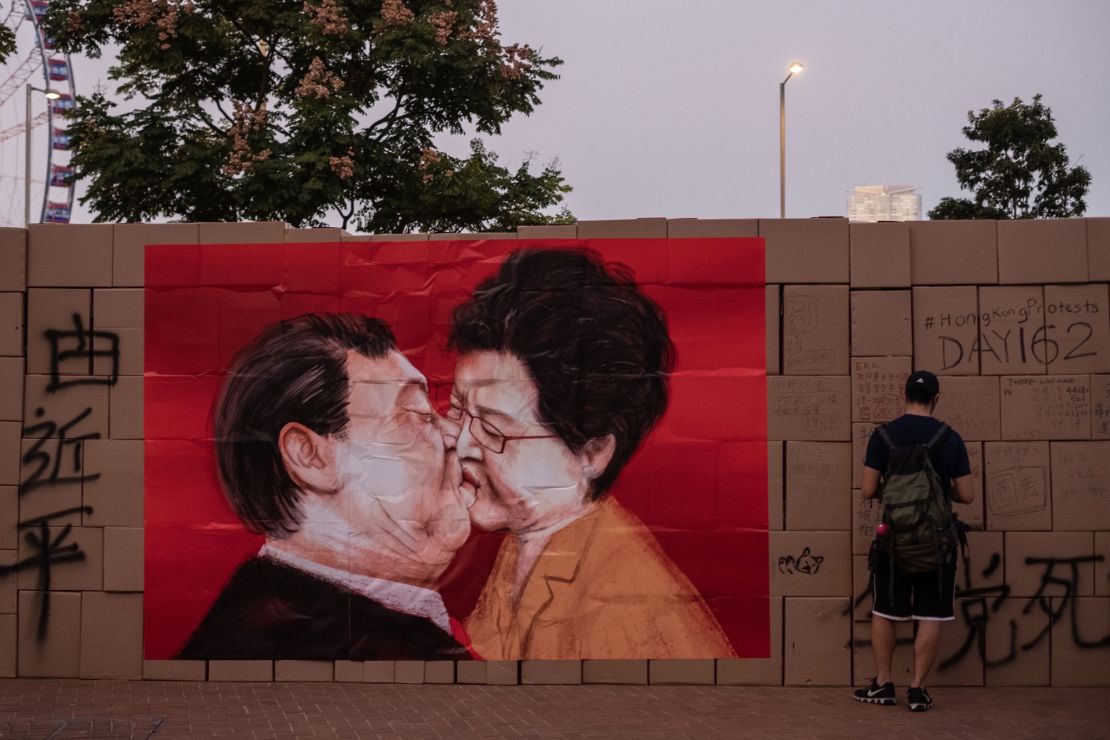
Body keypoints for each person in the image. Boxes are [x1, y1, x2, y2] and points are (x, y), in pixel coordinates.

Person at [444, 247, 735, 660]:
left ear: (594, 452)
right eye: (458, 412)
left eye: (493, 429)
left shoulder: (625, 609)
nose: (463, 444)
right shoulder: (528, 541)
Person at [177, 313, 473, 661]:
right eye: (419, 414)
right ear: (310, 457)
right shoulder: (348, 652)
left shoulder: (256, 625)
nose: (457, 438)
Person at [853, 370, 974, 711]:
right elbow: (967, 495)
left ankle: (883, 684)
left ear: (902, 395)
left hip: (894, 540)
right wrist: (936, 489)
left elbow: (867, 490)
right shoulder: (949, 438)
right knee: (931, 614)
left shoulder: (883, 436)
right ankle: (918, 689)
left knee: (885, 612)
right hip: (937, 542)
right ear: (936, 398)